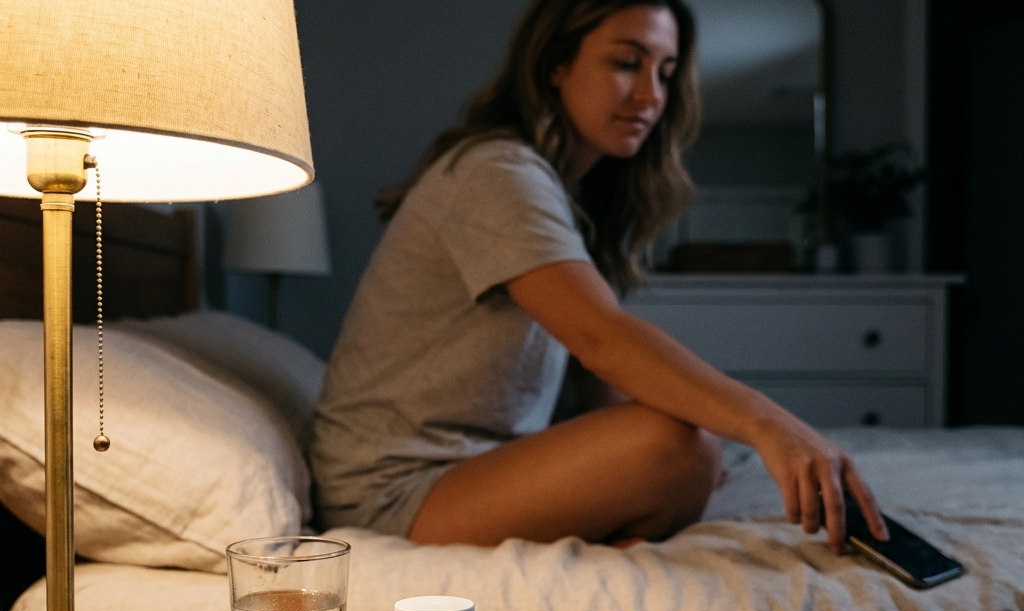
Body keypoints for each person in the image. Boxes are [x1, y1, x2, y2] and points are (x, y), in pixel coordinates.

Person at [311, 0, 888, 553]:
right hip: (391, 494)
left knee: (685, 442)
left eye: (665, 73)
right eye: (626, 62)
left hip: (469, 469)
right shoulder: (497, 172)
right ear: (555, 65)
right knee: (680, 447)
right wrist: (767, 424)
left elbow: (597, 380)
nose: (650, 94)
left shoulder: (562, 194)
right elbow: (600, 338)